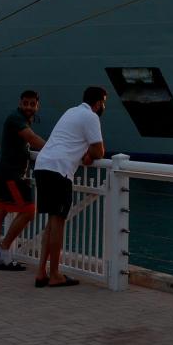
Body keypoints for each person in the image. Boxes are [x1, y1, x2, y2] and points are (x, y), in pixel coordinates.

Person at [31, 86, 107, 288]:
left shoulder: (70, 112)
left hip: (43, 165)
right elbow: (99, 151)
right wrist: (90, 155)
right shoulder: (91, 117)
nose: (103, 107)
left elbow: (69, 141)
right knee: (58, 224)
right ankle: (55, 274)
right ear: (98, 103)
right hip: (60, 170)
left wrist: (85, 153)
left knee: (51, 222)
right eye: (104, 102)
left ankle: (41, 272)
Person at [0, 90, 45, 271]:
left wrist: (3, 145)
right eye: (25, 103)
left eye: (32, 104)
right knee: (28, 212)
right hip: (11, 175)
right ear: (20, 103)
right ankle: (4, 252)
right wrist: (57, 150)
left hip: (1, 173)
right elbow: (32, 139)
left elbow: (14, 138)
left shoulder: (17, 118)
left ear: (37, 105)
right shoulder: (16, 118)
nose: (28, 107)